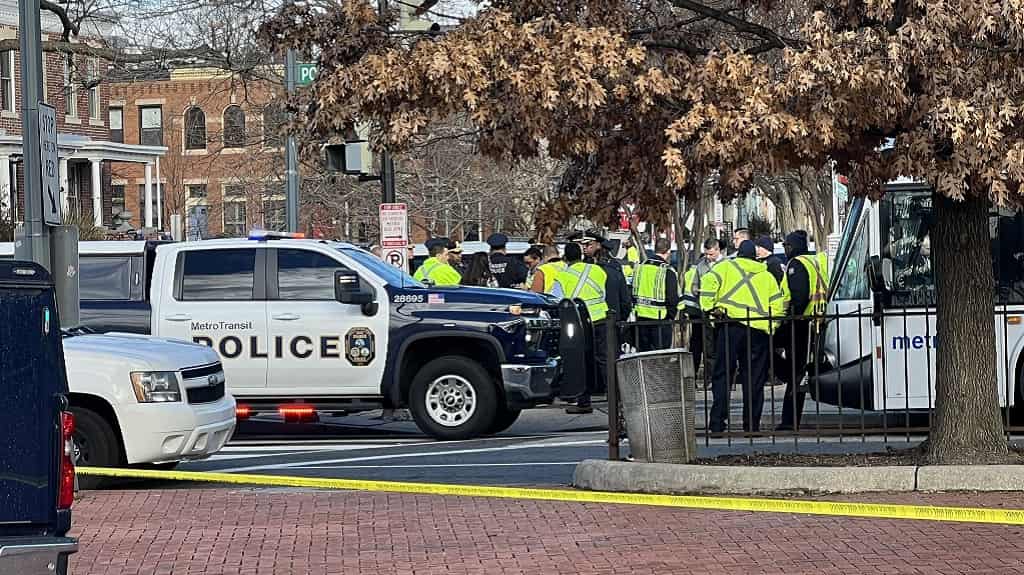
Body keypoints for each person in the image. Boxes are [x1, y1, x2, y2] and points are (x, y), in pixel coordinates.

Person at [700, 240, 785, 433]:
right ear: (755, 257)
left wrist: (710, 308)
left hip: (730, 327)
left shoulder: (725, 268)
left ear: (738, 255)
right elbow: (778, 306)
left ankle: (717, 423)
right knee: (754, 379)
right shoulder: (766, 276)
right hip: (758, 332)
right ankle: (751, 425)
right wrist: (771, 326)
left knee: (722, 375)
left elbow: (707, 283)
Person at [776, 230, 829, 431]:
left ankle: (790, 421)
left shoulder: (796, 264)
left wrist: (791, 317)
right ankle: (790, 420)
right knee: (797, 371)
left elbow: (799, 295)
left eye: (787, 246)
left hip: (801, 323)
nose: (785, 249)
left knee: (795, 372)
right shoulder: (816, 261)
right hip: (817, 321)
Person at [552, 241, 609, 414]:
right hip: (601, 318)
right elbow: (603, 293)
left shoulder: (562, 276)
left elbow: (557, 300)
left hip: (580, 323)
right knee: (604, 360)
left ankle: (583, 401)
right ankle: (615, 397)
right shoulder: (598, 270)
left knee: (581, 361)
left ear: (565, 258)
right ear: (582, 255)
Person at [681, 238, 724, 374]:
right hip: (704, 310)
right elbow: (694, 283)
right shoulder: (701, 265)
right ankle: (709, 376)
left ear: (718, 250)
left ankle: (720, 375)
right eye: (706, 254)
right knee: (707, 346)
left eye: (711, 254)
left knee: (720, 346)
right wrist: (695, 289)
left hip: (721, 311)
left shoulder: (726, 265)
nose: (708, 257)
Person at [633, 238, 679, 351]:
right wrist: (670, 316)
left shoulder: (640, 267)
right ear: (668, 252)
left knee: (643, 356)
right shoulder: (667, 270)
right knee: (659, 358)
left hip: (640, 319)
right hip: (660, 320)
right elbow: (672, 298)